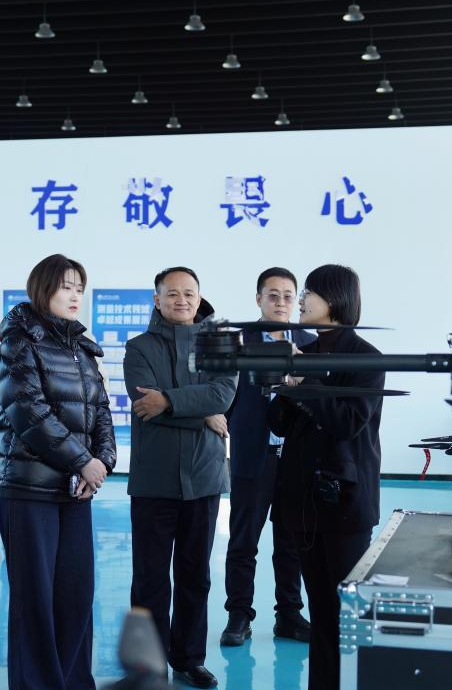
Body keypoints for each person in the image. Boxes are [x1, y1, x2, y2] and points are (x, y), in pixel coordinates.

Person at [0, 254, 116, 690]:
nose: (75, 295)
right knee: (36, 601)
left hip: (75, 490)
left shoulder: (81, 347)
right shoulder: (17, 342)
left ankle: (73, 682)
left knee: (75, 595)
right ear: (42, 288)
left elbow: (101, 411)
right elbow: (29, 413)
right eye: (66, 286)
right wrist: (82, 461)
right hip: (29, 488)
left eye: (79, 288)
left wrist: (102, 461)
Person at [269, 264, 384, 690]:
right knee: (319, 613)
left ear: (335, 300)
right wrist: (285, 383)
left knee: (343, 617)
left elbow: (348, 423)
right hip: (304, 501)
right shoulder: (308, 353)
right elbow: (278, 424)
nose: (300, 301)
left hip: (344, 504)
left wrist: (306, 379)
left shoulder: (367, 358)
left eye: (309, 293)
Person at [124, 267, 236, 690]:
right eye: (172, 293)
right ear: (157, 300)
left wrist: (170, 402)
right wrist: (202, 414)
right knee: (149, 579)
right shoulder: (138, 348)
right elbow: (144, 406)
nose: (182, 300)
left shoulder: (220, 345)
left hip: (204, 478)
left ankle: (189, 659)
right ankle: (147, 666)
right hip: (154, 480)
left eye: (189, 293)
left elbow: (223, 394)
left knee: (195, 576)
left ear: (199, 297)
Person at [220, 267, 314, 647]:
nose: (280, 302)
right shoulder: (239, 342)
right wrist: (232, 422)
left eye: (288, 296)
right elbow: (224, 393)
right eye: (272, 295)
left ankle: (289, 614)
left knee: (291, 541)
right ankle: (238, 615)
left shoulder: (309, 341)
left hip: (295, 458)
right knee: (244, 540)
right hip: (252, 453)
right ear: (258, 299)